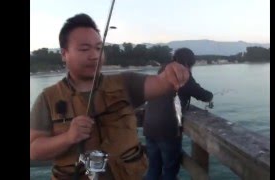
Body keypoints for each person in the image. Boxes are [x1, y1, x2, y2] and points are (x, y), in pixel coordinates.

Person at [30, 13, 190, 180]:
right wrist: (68, 137)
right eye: (85, 49)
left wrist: (173, 72)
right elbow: (34, 150)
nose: (94, 55)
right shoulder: (47, 98)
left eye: (99, 48)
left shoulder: (126, 83)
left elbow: (161, 82)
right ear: (64, 53)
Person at [143, 48, 213, 180]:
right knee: (170, 170)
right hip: (168, 129)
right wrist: (211, 96)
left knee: (153, 168)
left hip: (150, 126)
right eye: (191, 64)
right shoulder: (182, 73)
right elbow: (200, 94)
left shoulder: (162, 70)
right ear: (188, 62)